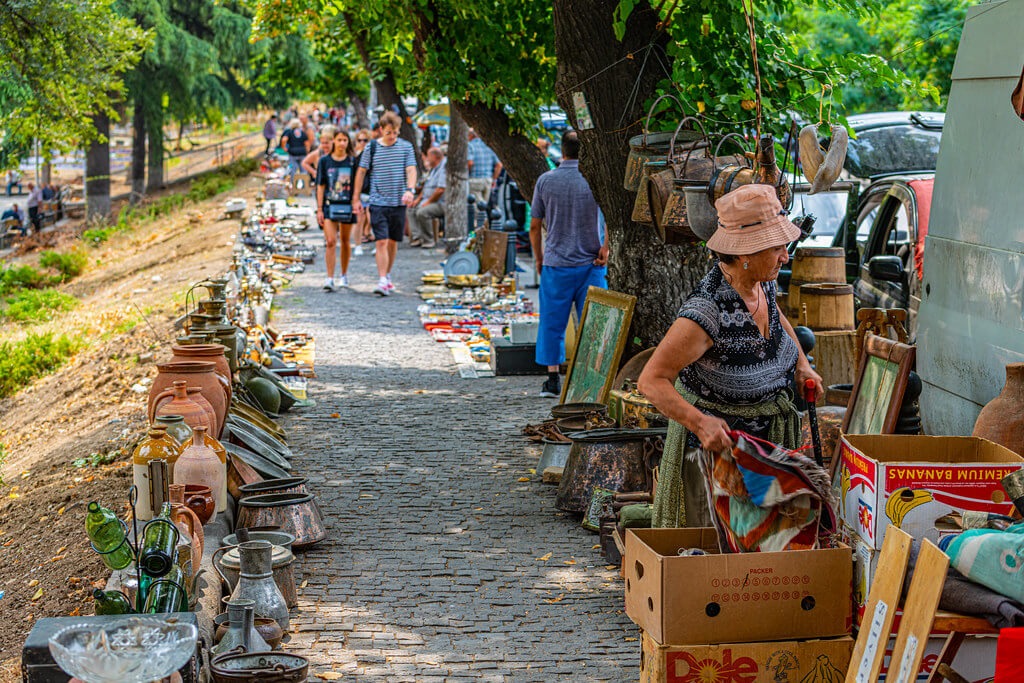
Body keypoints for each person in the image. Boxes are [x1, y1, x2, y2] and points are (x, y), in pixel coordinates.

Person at [637, 184, 824, 529]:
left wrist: (800, 363)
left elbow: (775, 313)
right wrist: (700, 422)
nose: (785, 256)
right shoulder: (705, 312)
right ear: (745, 254)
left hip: (766, 450)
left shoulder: (760, 279)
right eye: (777, 248)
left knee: (767, 555)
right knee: (720, 564)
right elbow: (651, 380)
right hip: (719, 459)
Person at [530, 130, 608, 398]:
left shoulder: (545, 181)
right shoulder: (594, 180)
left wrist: (539, 258)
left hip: (556, 262)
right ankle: (591, 381)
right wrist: (606, 248)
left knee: (553, 323)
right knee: (594, 325)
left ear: (561, 151)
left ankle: (553, 380)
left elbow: (534, 225)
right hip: (592, 262)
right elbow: (610, 216)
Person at [352, 111, 417, 297]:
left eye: (395, 132)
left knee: (392, 241)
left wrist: (410, 189)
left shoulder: (406, 147)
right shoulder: (371, 148)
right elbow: (361, 172)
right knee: (381, 240)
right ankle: (381, 279)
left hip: (398, 201)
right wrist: (356, 198)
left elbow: (411, 169)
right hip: (377, 200)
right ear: (381, 130)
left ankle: (387, 275)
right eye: (389, 132)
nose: (392, 136)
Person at [316, 129, 358, 291]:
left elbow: (357, 184)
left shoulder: (352, 162)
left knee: (346, 241)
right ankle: (329, 277)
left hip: (347, 204)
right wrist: (319, 209)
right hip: (329, 204)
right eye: (339, 140)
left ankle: (344, 274)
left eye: (345, 140)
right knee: (331, 241)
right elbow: (320, 186)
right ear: (333, 141)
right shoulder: (325, 161)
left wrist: (356, 201)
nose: (342, 143)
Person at [409, 147, 446, 248]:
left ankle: (428, 239)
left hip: (441, 202)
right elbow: (426, 187)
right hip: (429, 200)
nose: (426, 159)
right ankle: (417, 237)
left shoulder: (444, 167)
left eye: (428, 157)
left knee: (423, 212)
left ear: (435, 157)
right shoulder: (434, 168)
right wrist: (417, 200)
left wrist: (428, 202)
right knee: (411, 208)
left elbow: (440, 190)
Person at [352, 129, 374, 253]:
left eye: (365, 140)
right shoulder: (356, 158)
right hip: (362, 191)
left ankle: (377, 244)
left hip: (373, 191)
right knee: (359, 219)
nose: (362, 143)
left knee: (373, 218)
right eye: (359, 140)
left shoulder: (374, 156)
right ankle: (358, 245)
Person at [467, 128, 502, 205]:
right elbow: (499, 165)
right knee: (483, 207)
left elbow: (470, 163)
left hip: (474, 180)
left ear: (471, 136)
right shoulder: (489, 146)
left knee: (476, 210)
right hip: (487, 180)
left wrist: (466, 174)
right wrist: (493, 179)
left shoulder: (470, 145)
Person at [302, 124, 335, 197]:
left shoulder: (334, 152)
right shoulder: (320, 151)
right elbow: (304, 162)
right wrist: (314, 172)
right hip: (322, 185)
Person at [280, 119, 311, 191]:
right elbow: (307, 143)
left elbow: (284, 139)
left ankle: (294, 187)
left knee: (293, 170)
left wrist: (284, 147)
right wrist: (307, 151)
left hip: (293, 153)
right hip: (302, 152)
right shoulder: (302, 132)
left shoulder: (289, 132)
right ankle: (305, 186)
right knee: (303, 170)